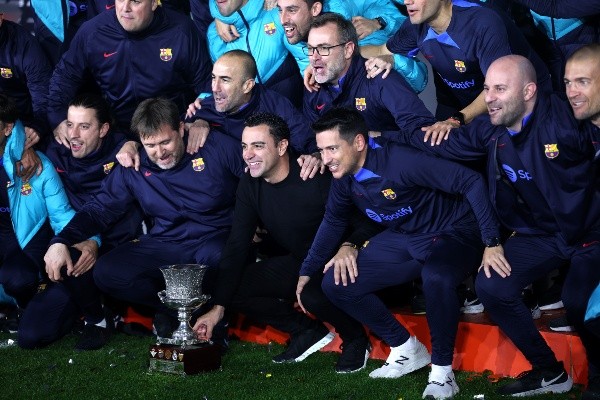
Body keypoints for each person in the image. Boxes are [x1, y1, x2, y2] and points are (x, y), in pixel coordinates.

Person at [399, 54, 600, 398]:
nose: (488, 97)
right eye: (486, 88)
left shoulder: (566, 119)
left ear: (529, 91)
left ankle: (598, 377)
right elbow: (434, 145)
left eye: (500, 89)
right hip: (543, 235)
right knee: (492, 285)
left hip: (590, 234)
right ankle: (549, 371)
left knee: (578, 299)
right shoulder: (490, 131)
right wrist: (377, 137)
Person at [298, 107, 504, 399]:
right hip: (408, 236)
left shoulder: (400, 161)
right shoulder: (343, 174)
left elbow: (470, 181)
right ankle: (406, 347)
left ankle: (443, 372)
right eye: (321, 150)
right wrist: (307, 271)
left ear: (359, 142)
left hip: (454, 231)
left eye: (332, 148)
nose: (326, 158)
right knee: (335, 282)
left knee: (436, 277)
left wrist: (491, 241)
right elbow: (333, 220)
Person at [43, 97, 245, 339]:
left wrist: (252, 225)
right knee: (107, 272)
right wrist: (61, 240)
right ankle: (174, 312)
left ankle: (216, 316)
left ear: (181, 129)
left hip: (214, 237)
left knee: (217, 256)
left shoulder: (213, 146)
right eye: (150, 145)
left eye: (166, 142)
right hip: (165, 243)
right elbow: (99, 209)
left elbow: (254, 181)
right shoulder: (134, 163)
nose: (159, 153)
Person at [194, 112, 379, 372]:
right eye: (244, 146)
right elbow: (237, 244)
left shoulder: (314, 175)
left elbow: (368, 218)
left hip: (341, 260)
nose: (248, 154)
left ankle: (355, 338)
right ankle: (305, 331)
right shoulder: (250, 182)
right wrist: (218, 308)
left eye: (258, 146)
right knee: (226, 286)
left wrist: (351, 246)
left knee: (312, 293)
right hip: (301, 262)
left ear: (282, 147)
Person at [0, 94, 107, 350]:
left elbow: (63, 215)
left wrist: (91, 240)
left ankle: (47, 303)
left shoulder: (36, 165)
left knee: (29, 323)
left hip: (26, 261)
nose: (75, 132)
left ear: (5, 129)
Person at [361, 0, 551, 141]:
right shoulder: (415, 25)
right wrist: (340, 49)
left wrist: (457, 119)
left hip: (519, 103)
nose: (406, 1)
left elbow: (500, 89)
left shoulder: (482, 22)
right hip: (464, 105)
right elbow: (381, 50)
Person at [47, 0, 212, 144]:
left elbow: (206, 82)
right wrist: (57, 118)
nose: (125, 8)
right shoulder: (92, 32)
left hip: (173, 128)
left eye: (136, 1)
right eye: (120, 0)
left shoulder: (182, 30)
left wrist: (202, 118)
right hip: (119, 134)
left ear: (154, 3)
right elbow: (65, 76)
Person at [302, 13, 436, 140]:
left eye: (324, 48)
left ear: (348, 50)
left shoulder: (380, 77)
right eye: (310, 49)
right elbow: (313, 141)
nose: (314, 57)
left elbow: (423, 132)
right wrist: (315, 155)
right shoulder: (313, 87)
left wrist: (378, 139)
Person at [45, 93, 143, 252]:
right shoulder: (55, 151)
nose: (73, 134)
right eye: (70, 124)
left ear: (103, 130)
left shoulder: (123, 153)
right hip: (77, 237)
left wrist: (134, 144)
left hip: (122, 242)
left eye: (84, 126)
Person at [184, 50, 316, 156]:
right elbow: (176, 130)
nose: (214, 88)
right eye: (214, 78)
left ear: (247, 86)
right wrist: (199, 120)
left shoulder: (276, 106)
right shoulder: (205, 106)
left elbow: (308, 143)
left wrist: (316, 155)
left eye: (225, 80)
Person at [276, 0, 426, 92]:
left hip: (393, 88)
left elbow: (412, 26)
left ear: (315, 8)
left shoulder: (350, 9)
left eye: (292, 10)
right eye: (280, 10)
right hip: (355, 115)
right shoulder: (292, 41)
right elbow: (319, 86)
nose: (282, 20)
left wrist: (379, 22)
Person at [207, 0, 303, 107]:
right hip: (248, 118)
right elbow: (219, 86)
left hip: (292, 110)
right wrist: (203, 106)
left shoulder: (277, 12)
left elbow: (306, 60)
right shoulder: (213, 33)